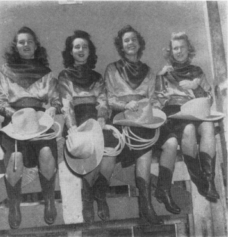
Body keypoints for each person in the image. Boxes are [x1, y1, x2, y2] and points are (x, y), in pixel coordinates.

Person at [104, 25, 181, 224]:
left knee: (171, 143)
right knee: (144, 149)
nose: (130, 43)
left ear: (139, 44)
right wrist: (125, 104)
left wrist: (154, 106)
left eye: (133, 40)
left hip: (145, 117)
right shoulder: (112, 69)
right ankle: (146, 205)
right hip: (124, 118)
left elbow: (155, 98)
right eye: (126, 40)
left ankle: (163, 189)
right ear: (121, 46)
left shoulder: (149, 71)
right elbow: (109, 99)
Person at [0, 26, 61, 228]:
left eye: (29, 41)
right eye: (21, 42)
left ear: (35, 46)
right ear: (16, 46)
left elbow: (56, 100)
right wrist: (13, 114)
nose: (25, 45)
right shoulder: (5, 71)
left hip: (39, 121)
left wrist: (52, 109)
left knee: (46, 152)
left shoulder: (46, 73)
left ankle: (49, 200)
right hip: (15, 121)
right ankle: (15, 205)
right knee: (15, 158)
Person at [58, 30, 119, 223]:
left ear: (90, 51)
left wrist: (101, 120)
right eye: (77, 47)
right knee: (89, 146)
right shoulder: (65, 75)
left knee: (112, 145)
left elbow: (102, 101)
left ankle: (100, 193)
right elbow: (66, 103)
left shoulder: (97, 76)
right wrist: (72, 126)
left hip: (97, 120)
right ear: (71, 51)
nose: (81, 50)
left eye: (85, 46)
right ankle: (88, 200)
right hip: (77, 120)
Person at [155, 32, 223, 202]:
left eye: (182, 47)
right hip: (176, 117)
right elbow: (157, 101)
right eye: (175, 48)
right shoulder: (165, 73)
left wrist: (196, 86)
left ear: (188, 49)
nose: (179, 51)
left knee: (207, 127)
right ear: (171, 51)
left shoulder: (197, 71)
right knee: (189, 129)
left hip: (196, 113)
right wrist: (159, 78)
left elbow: (208, 97)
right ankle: (199, 179)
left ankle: (209, 181)